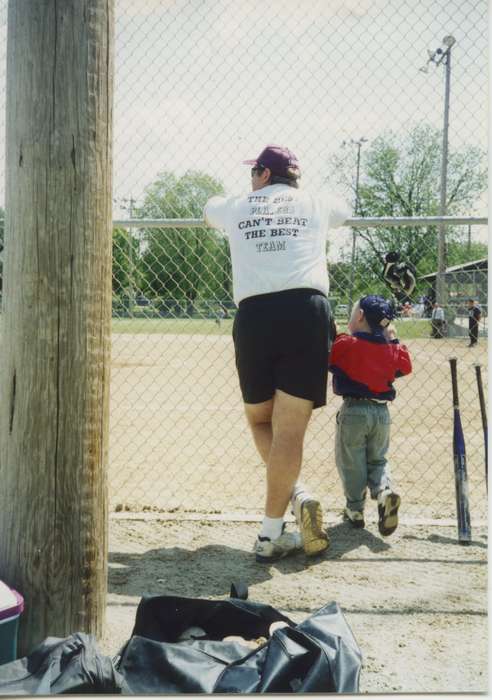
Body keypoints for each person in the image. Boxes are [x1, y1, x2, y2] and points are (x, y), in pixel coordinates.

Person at [203, 144, 350, 562]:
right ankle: (277, 524)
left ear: (265, 175)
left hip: (255, 315)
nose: (251, 178)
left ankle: (289, 508)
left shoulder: (238, 206)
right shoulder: (314, 201)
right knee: (289, 429)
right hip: (306, 310)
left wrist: (247, 204)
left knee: (259, 419)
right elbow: (345, 209)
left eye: (255, 172)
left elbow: (207, 208)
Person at [328, 295, 412, 535]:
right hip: (381, 413)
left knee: (352, 461)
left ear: (361, 316)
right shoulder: (389, 348)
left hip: (354, 410)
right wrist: (392, 338)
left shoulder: (348, 344)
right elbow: (405, 366)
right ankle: (384, 491)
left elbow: (331, 357)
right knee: (378, 460)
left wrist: (335, 335)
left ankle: (355, 510)